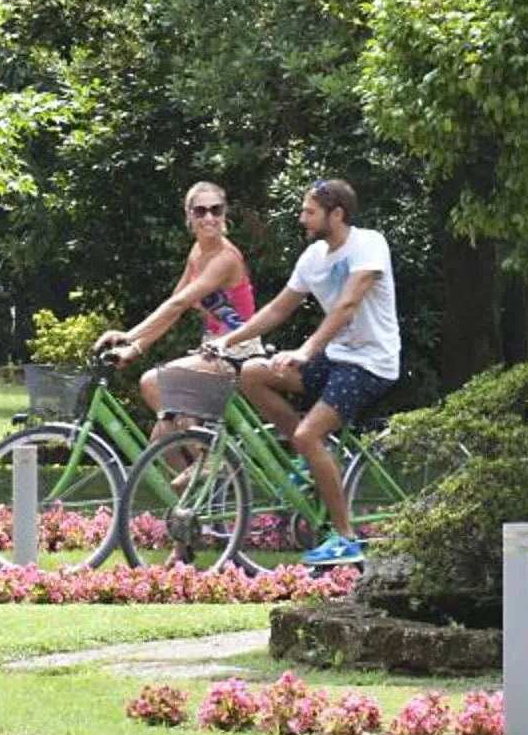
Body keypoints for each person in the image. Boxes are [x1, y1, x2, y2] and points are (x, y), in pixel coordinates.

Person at [221, 178, 398, 565]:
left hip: (370, 363)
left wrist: (305, 349)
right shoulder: (313, 258)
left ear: (337, 214)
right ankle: (313, 454)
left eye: (309, 211)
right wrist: (228, 342)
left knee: (307, 433)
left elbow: (348, 304)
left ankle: (346, 538)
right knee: (251, 373)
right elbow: (277, 309)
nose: (301, 218)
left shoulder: (368, 244)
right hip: (334, 358)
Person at [96, 182, 256, 434]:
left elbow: (178, 303)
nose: (209, 218)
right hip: (213, 349)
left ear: (225, 214)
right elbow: (173, 306)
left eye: (216, 210)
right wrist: (135, 348)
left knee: (152, 383)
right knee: (161, 437)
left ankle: (207, 460)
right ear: (189, 217)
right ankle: (190, 469)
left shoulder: (226, 258)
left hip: (238, 352)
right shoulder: (197, 252)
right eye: (200, 211)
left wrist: (128, 335)